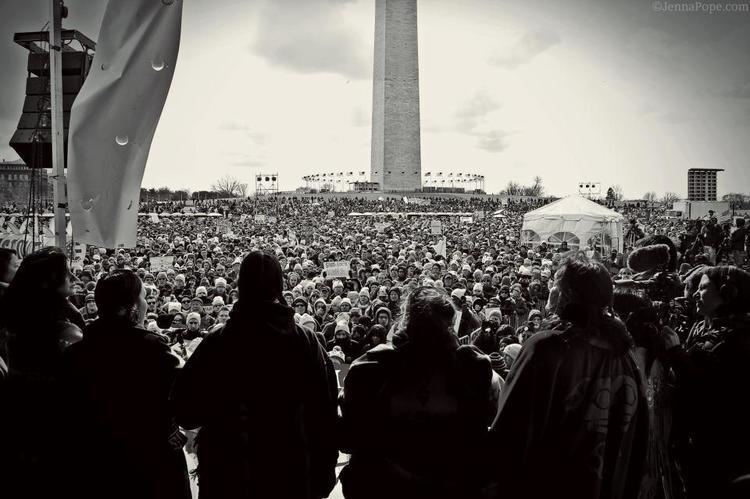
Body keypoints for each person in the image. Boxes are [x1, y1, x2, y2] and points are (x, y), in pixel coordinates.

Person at [171, 251, 338, 499]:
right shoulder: (307, 342)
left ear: (242, 285)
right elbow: (324, 413)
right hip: (290, 475)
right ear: (279, 286)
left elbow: (186, 411)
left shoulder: (218, 342)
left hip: (229, 475)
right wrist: (323, 474)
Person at [488, 257, 648, 499]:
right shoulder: (624, 355)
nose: (550, 290)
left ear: (567, 294)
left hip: (551, 484)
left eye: (555, 283)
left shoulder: (547, 348)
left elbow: (511, 428)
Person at [339, 286, 501, 499]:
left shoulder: (371, 367)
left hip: (385, 487)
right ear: (450, 325)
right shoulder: (474, 369)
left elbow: (348, 437)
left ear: (405, 321)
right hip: (452, 487)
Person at [60, 270, 190, 499]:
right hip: (147, 469)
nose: (146, 304)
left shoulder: (74, 354)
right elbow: (184, 404)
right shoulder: (154, 352)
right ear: (131, 306)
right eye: (142, 297)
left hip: (93, 467)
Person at [0, 247, 83, 498]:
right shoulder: (65, 332)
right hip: (58, 436)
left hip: (21, 432)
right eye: (68, 274)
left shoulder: (15, 319)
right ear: (50, 283)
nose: (75, 279)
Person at [662, 266, 750, 498]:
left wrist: (675, 352)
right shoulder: (700, 326)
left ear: (726, 292)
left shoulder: (740, 337)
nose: (694, 294)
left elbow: (710, 390)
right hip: (694, 441)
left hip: (722, 447)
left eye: (702, 288)